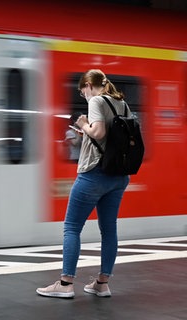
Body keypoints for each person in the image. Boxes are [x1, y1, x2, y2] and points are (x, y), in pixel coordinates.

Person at [36, 69, 131, 299]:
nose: (84, 96)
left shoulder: (97, 100)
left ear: (89, 84)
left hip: (94, 174)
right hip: (118, 176)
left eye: (82, 91)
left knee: (72, 227)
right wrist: (86, 132)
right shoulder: (123, 104)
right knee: (109, 230)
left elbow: (98, 132)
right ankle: (102, 283)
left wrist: (84, 123)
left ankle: (66, 283)